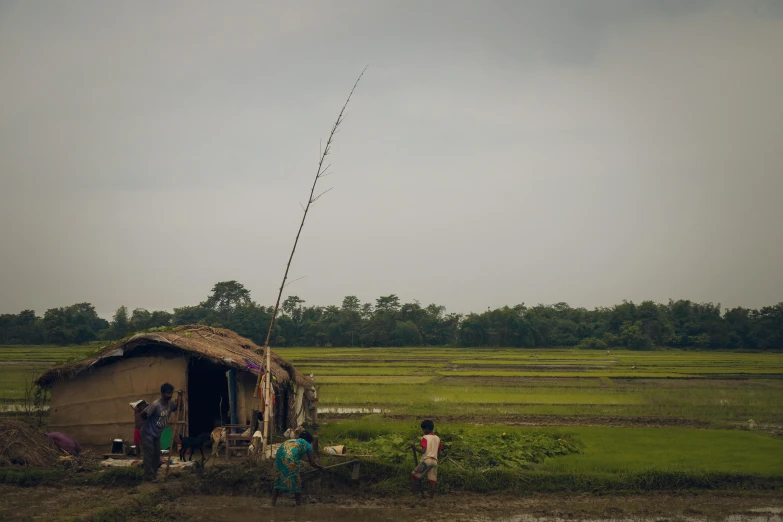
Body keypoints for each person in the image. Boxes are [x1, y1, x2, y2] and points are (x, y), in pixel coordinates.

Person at [271, 430, 324, 506]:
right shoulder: (308, 445)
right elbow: (311, 462)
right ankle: (298, 504)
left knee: (279, 478)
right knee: (297, 479)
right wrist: (319, 467)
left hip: (279, 457)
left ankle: (272, 503)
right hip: (291, 458)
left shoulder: (293, 440)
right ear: (309, 440)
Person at [140, 383, 179, 481]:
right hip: (147, 433)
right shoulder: (155, 404)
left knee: (156, 455)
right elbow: (143, 414)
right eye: (167, 393)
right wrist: (148, 422)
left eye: (171, 393)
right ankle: (148, 476)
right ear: (162, 393)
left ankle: (153, 474)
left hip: (157, 434)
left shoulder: (170, 404)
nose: (169, 395)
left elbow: (177, 407)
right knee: (149, 455)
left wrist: (180, 398)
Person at [410, 419, 442, 499]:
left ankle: (414, 495)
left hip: (426, 461)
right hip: (435, 461)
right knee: (432, 480)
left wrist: (414, 448)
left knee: (414, 476)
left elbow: (423, 450)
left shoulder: (425, 438)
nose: (423, 431)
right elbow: (438, 452)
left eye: (423, 429)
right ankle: (431, 497)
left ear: (427, 429)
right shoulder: (438, 438)